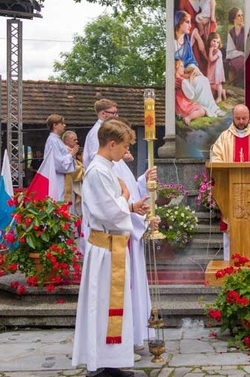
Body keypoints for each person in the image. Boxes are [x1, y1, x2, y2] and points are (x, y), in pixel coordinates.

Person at [72, 118, 150, 377]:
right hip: (105, 251)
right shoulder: (98, 171)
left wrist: (130, 206)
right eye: (125, 146)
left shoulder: (105, 168)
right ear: (112, 143)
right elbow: (108, 211)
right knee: (103, 305)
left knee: (113, 308)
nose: (125, 152)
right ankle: (101, 362)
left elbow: (112, 208)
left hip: (113, 248)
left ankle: (112, 360)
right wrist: (126, 198)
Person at [211, 104, 250, 259]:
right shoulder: (224, 137)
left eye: (244, 118)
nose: (241, 121)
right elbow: (216, 158)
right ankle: (228, 263)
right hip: (231, 193)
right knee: (231, 225)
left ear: (249, 116)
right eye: (238, 118)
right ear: (233, 117)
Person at [112, 147, 156, 354]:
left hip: (130, 236)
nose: (129, 149)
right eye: (126, 145)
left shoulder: (119, 165)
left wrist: (143, 182)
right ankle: (123, 342)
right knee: (126, 291)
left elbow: (131, 194)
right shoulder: (107, 167)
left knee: (135, 289)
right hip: (121, 238)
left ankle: (134, 336)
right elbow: (117, 203)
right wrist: (138, 215)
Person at [43, 114, 79, 202]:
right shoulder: (53, 141)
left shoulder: (57, 140)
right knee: (60, 199)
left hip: (63, 178)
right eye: (62, 123)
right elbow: (58, 163)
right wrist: (71, 154)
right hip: (57, 179)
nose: (64, 125)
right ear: (55, 125)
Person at [175, 0, 207, 72]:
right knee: (195, 55)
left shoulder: (199, 1)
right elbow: (181, 21)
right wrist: (197, 38)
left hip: (199, 32)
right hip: (187, 34)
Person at [83, 99, 119, 168]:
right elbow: (96, 156)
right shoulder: (98, 131)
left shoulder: (106, 130)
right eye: (113, 113)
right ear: (103, 114)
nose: (116, 116)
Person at [175, 60, 206, 125]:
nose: (183, 68)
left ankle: (181, 116)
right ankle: (188, 118)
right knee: (202, 110)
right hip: (183, 106)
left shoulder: (175, 80)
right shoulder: (182, 81)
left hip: (177, 107)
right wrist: (191, 79)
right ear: (176, 68)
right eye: (181, 66)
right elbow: (191, 95)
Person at [62, 130, 85, 216]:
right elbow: (69, 168)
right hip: (66, 183)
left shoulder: (71, 151)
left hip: (72, 184)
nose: (76, 141)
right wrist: (83, 169)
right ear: (67, 141)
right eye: (74, 140)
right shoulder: (64, 151)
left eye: (76, 140)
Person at [225, 7, 245, 85]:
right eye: (239, 16)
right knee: (232, 63)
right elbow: (230, 51)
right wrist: (241, 54)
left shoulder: (246, 29)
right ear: (233, 18)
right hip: (238, 56)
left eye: (242, 15)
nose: (242, 17)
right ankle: (233, 85)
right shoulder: (231, 32)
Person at [206, 33, 227, 103]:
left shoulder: (218, 52)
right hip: (212, 70)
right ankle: (222, 92)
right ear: (210, 41)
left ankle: (219, 97)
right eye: (214, 41)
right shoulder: (212, 51)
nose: (215, 43)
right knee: (211, 83)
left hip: (217, 71)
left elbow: (211, 59)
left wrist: (210, 51)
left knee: (218, 84)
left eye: (217, 42)